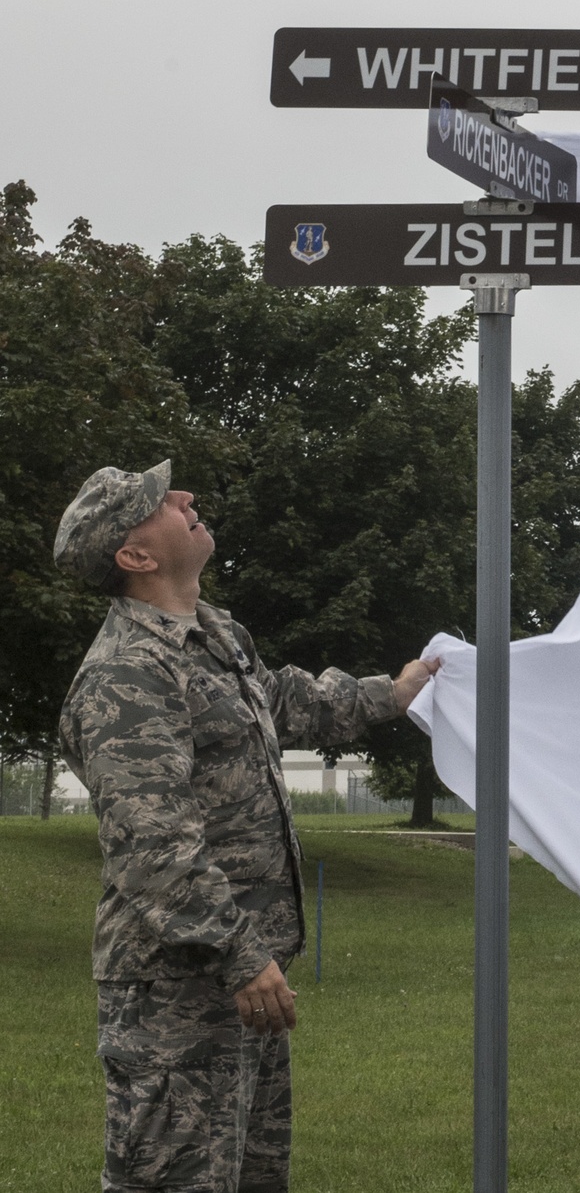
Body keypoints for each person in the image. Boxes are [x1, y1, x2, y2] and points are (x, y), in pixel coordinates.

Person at [54, 459, 439, 1193]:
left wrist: (393, 693)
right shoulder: (126, 675)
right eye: (159, 502)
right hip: (177, 992)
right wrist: (238, 953)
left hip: (241, 983)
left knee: (252, 1178)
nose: (185, 497)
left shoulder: (213, 635)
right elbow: (153, 845)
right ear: (135, 556)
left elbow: (284, 701)